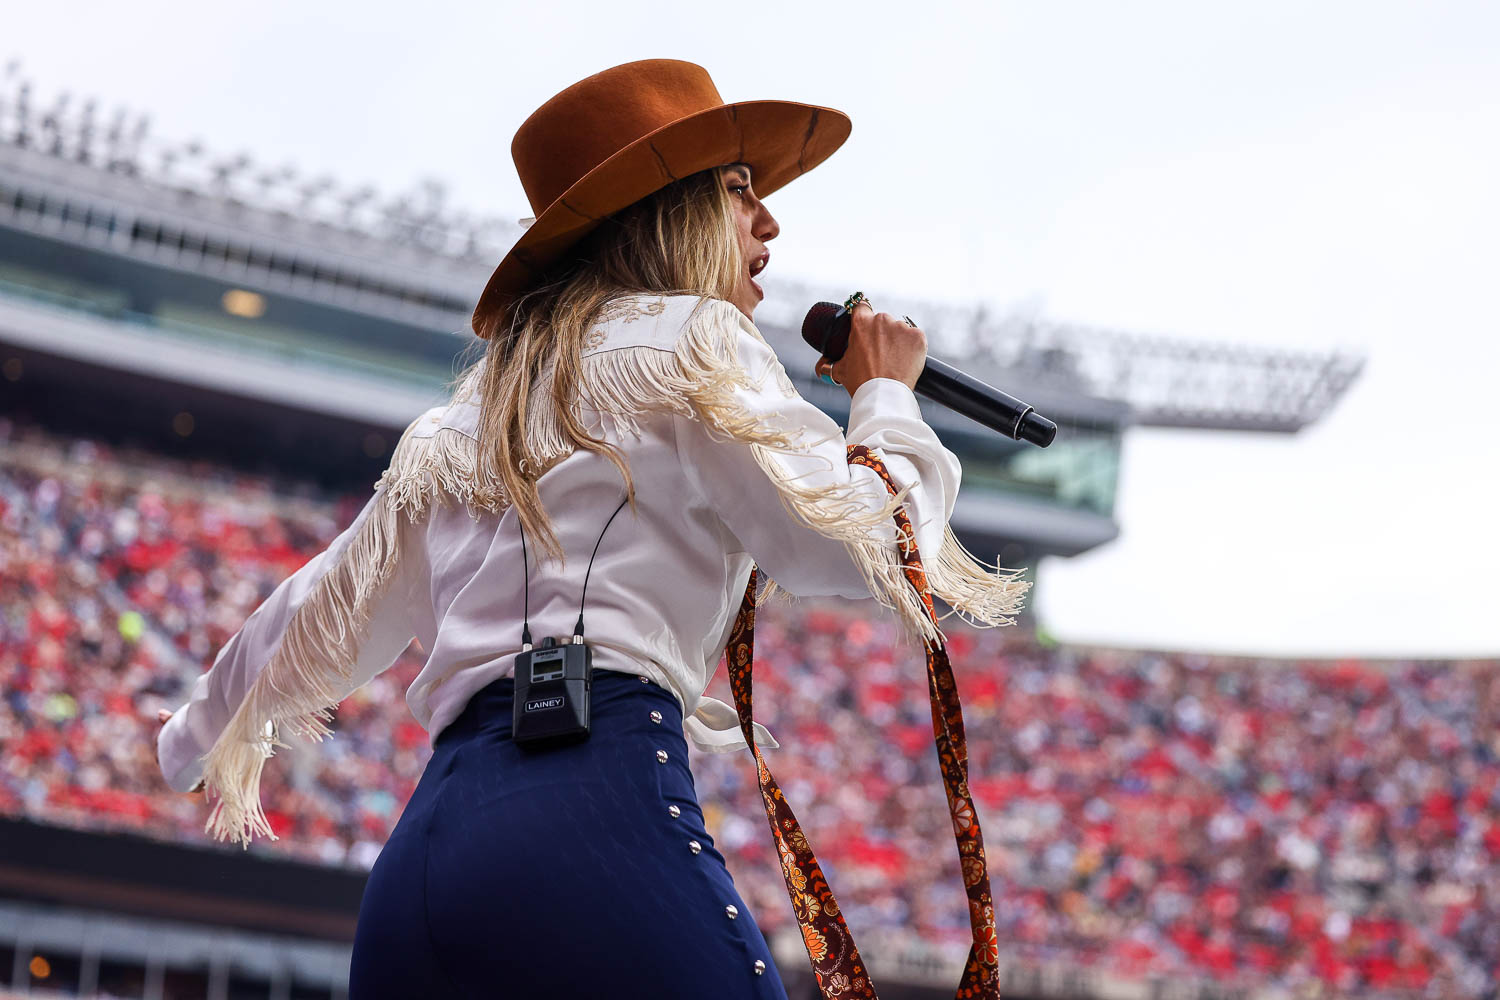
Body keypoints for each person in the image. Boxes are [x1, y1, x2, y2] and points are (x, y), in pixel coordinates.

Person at [154, 58, 1025, 997]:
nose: (769, 219)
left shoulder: (456, 424)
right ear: (673, 211)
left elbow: (318, 609)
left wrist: (191, 736)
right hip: (597, 815)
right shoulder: (694, 340)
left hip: (425, 864)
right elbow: (861, 545)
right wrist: (886, 398)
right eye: (740, 191)